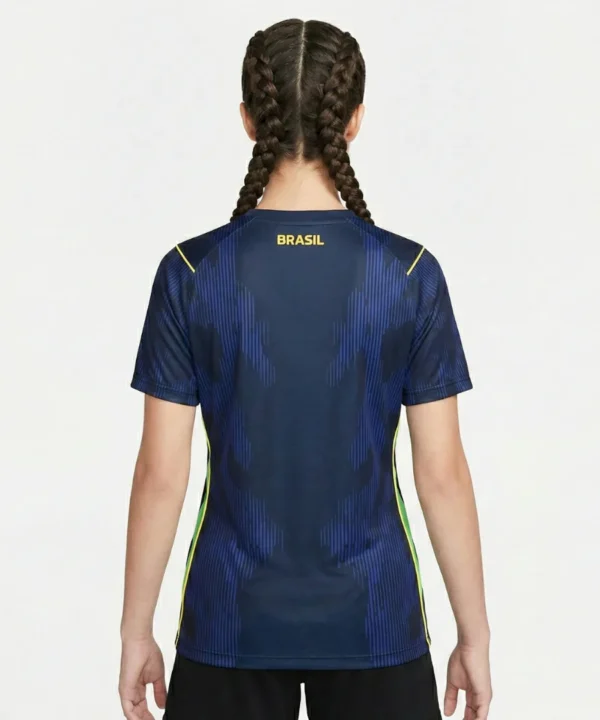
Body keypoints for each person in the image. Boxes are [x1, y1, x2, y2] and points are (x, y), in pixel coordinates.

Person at [118, 18, 492, 720]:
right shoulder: (408, 274)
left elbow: (160, 474)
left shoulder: (192, 273)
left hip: (230, 621)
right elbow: (441, 473)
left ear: (248, 119)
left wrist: (135, 631)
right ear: (353, 122)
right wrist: (475, 635)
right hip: (374, 621)